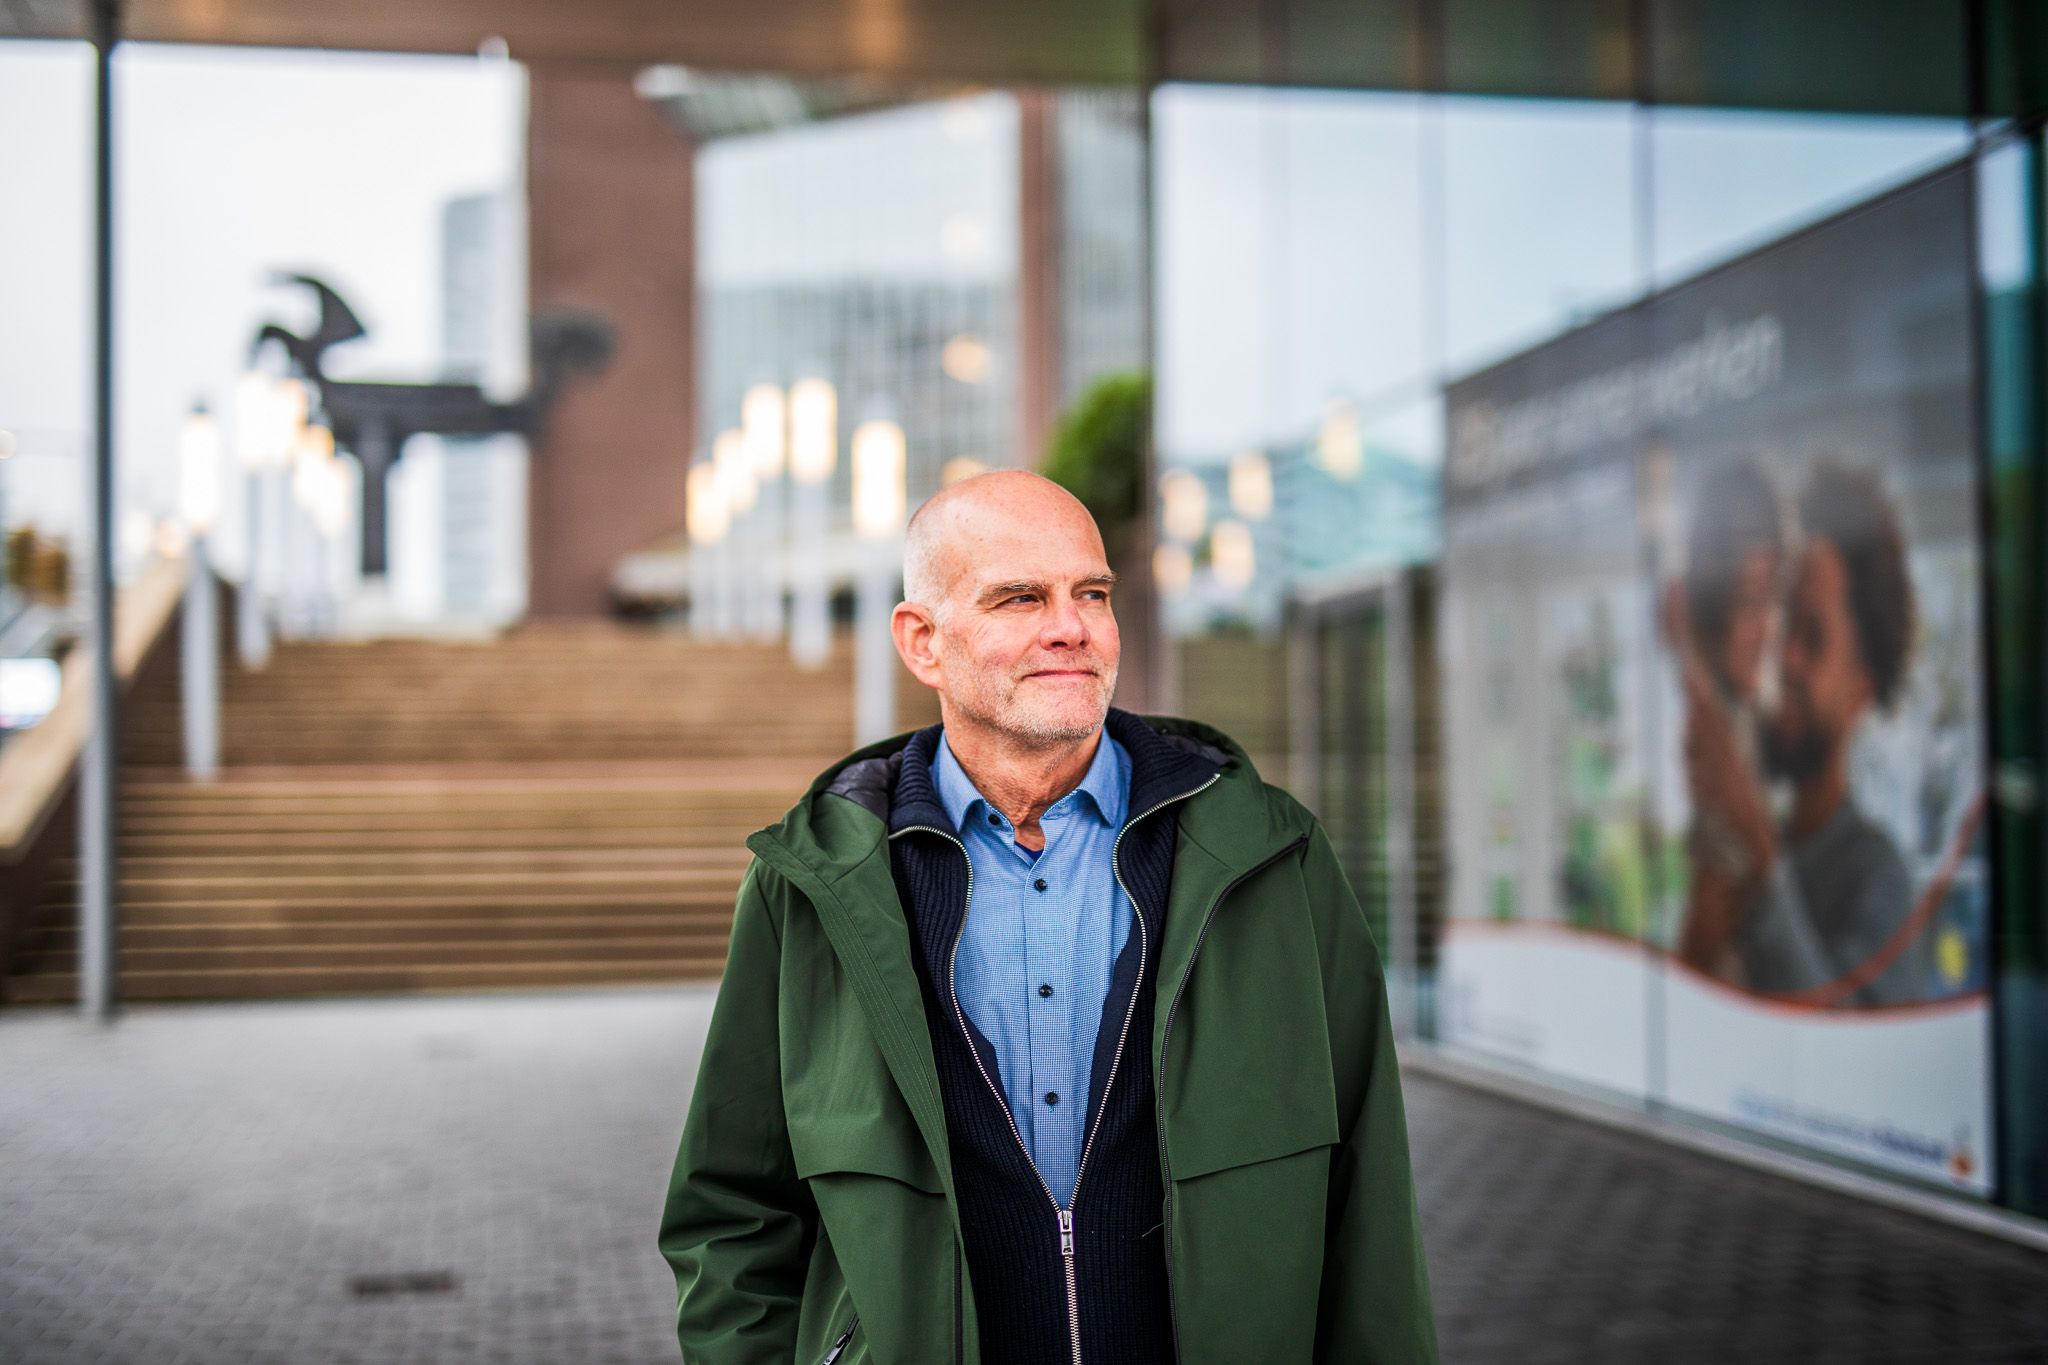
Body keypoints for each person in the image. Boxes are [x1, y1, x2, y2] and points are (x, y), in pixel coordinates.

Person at [659, 470, 1436, 1363]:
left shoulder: (1273, 858)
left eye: (1092, 593)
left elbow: (1369, 1204)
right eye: (1020, 597)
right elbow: (731, 1211)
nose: (1070, 626)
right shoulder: (813, 883)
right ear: (923, 642)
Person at [1675, 456, 1930, 1005]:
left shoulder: (1878, 876)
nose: (1781, 654)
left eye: (1811, 637)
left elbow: (1847, 1056)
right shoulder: (1734, 850)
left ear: (1862, 688)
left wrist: (1759, 855)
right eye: (1779, 616)